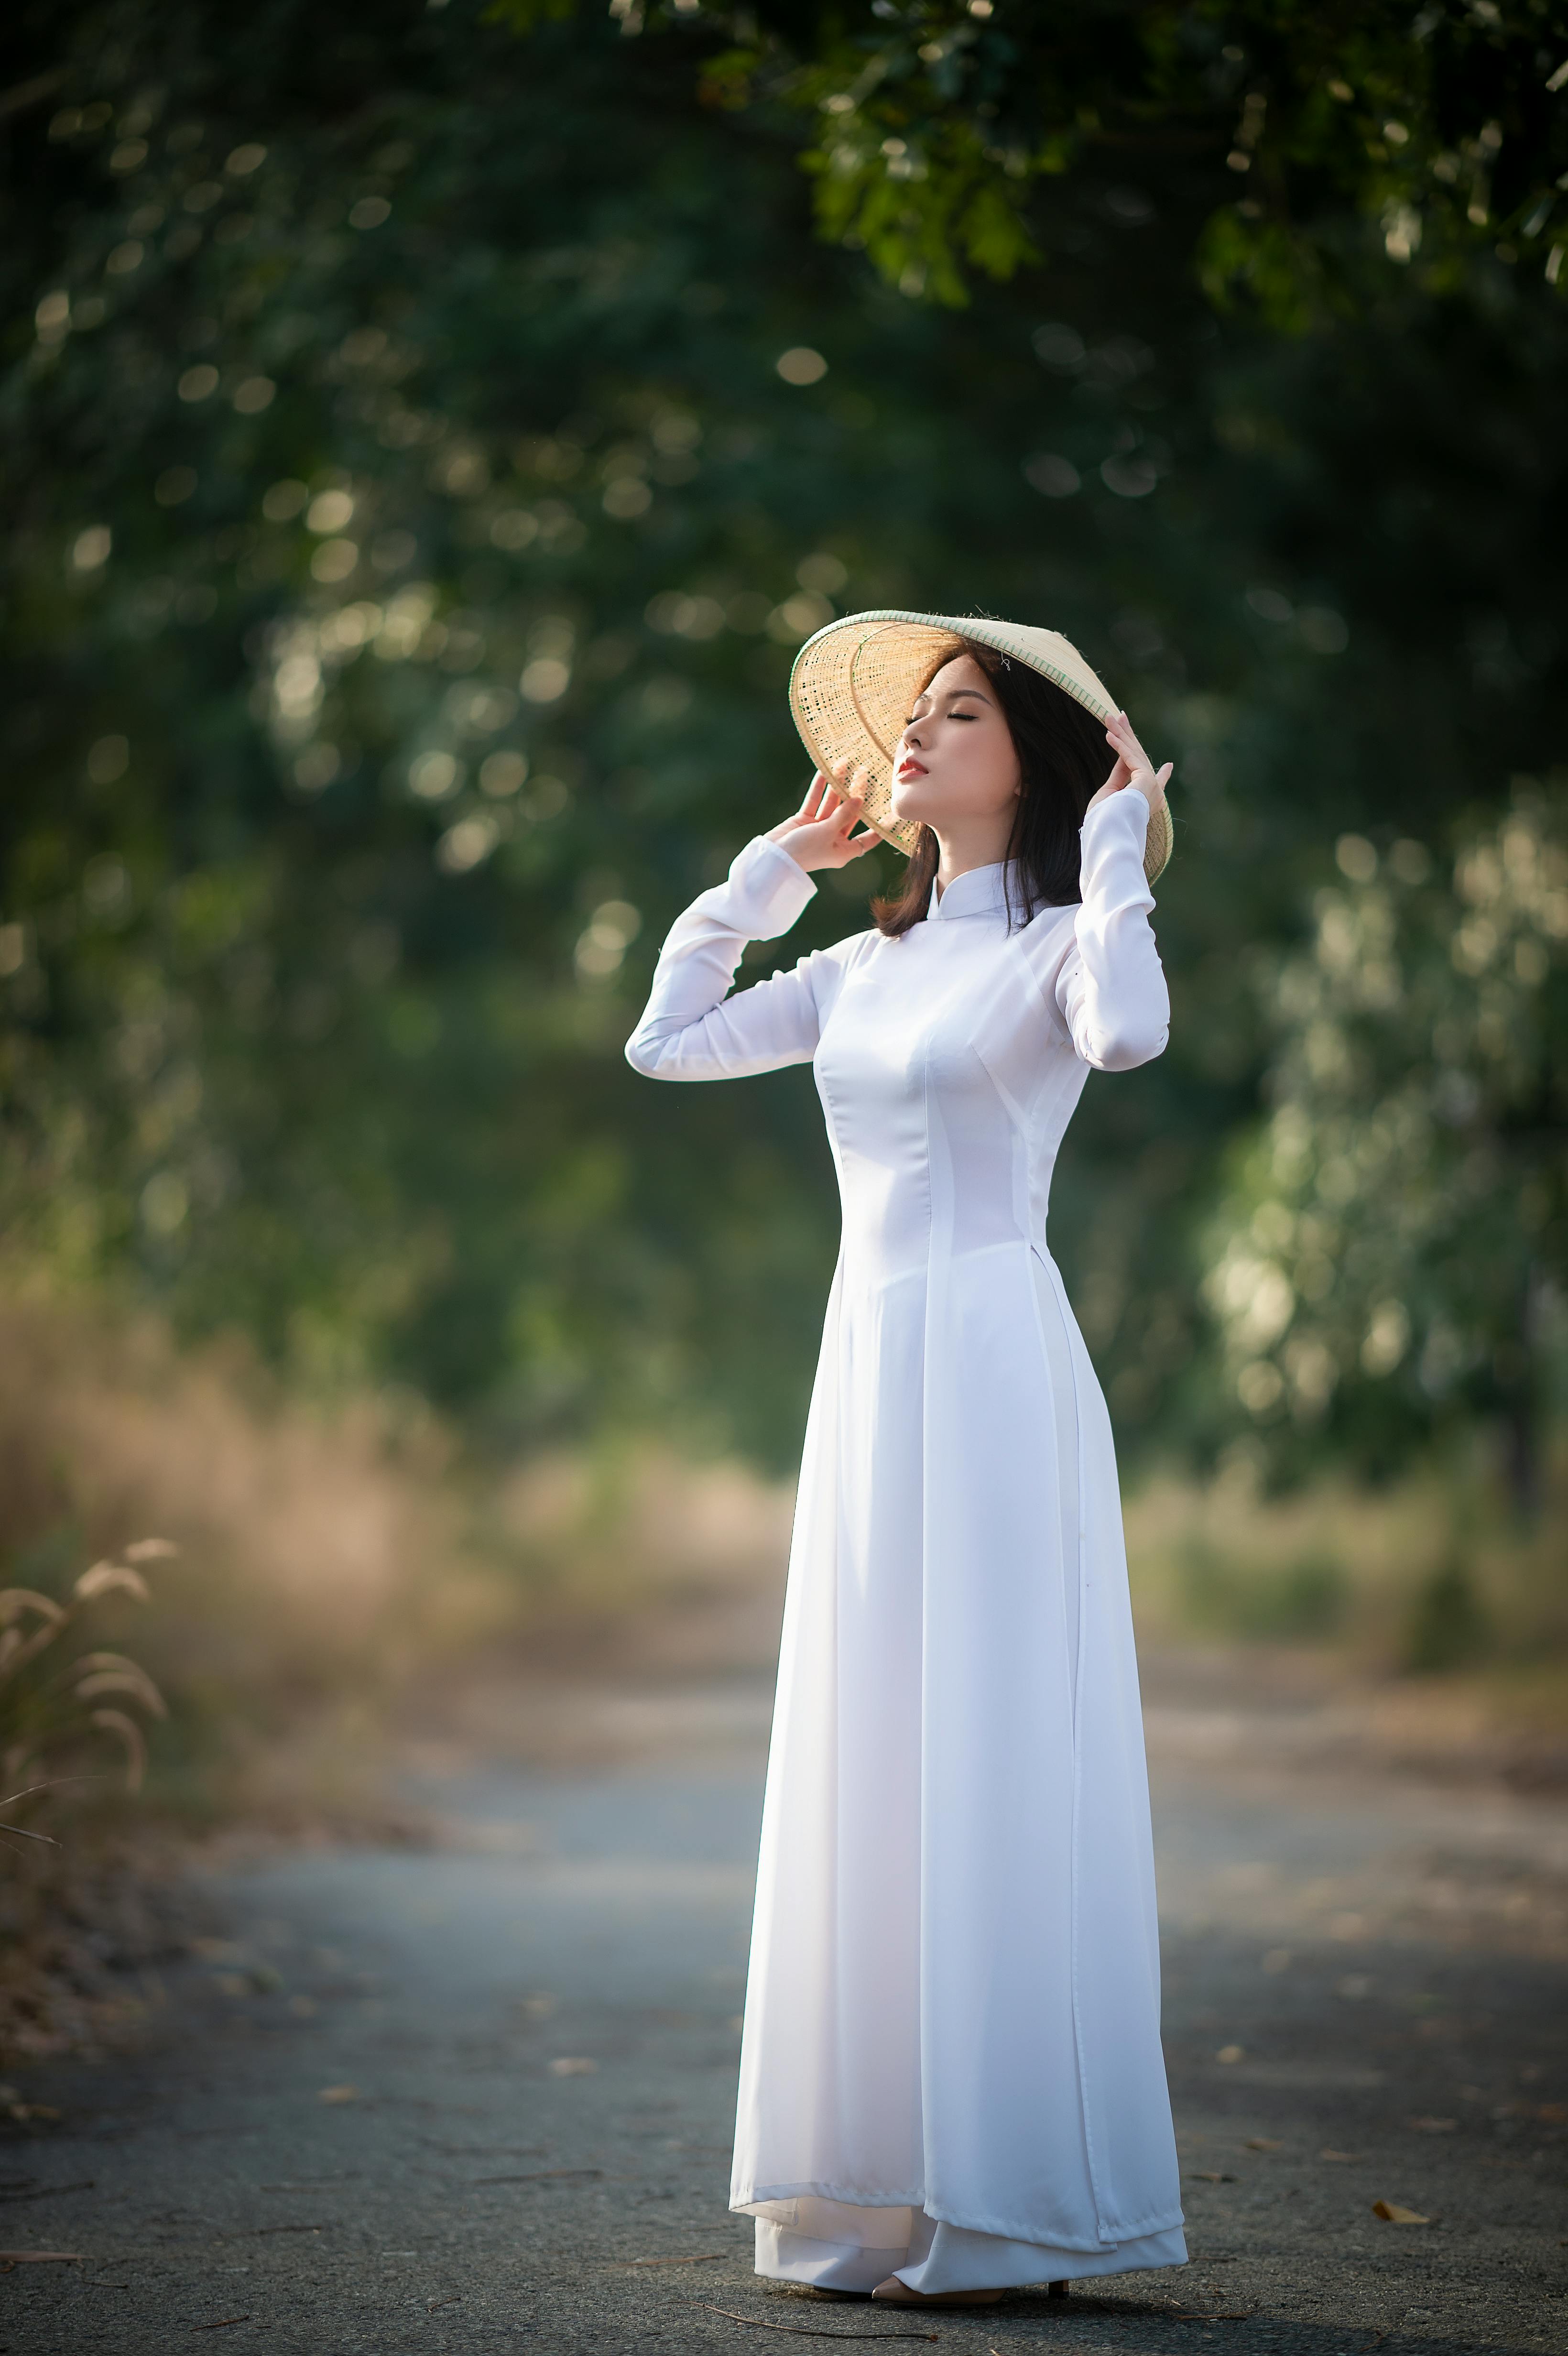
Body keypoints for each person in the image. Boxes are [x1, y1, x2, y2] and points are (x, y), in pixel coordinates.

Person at [623, 611, 1186, 2310]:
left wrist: (1115, 857)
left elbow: (1132, 1036)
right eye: (913, 720)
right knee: (874, 1752)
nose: (918, 741)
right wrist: (767, 872)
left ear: (1034, 750)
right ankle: (869, 2197)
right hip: (868, 1372)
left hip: (997, 1367)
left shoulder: (1066, 950)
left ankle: (1008, 2203)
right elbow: (667, 1037)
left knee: (994, 1748)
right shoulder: (862, 972)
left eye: (958, 714)